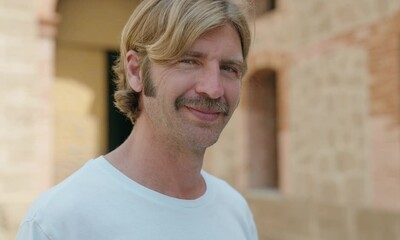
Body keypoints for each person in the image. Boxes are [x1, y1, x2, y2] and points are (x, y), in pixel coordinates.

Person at [17, 0, 257, 239]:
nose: (213, 89)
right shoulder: (58, 222)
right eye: (189, 61)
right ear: (136, 71)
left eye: (229, 69)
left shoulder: (235, 211)